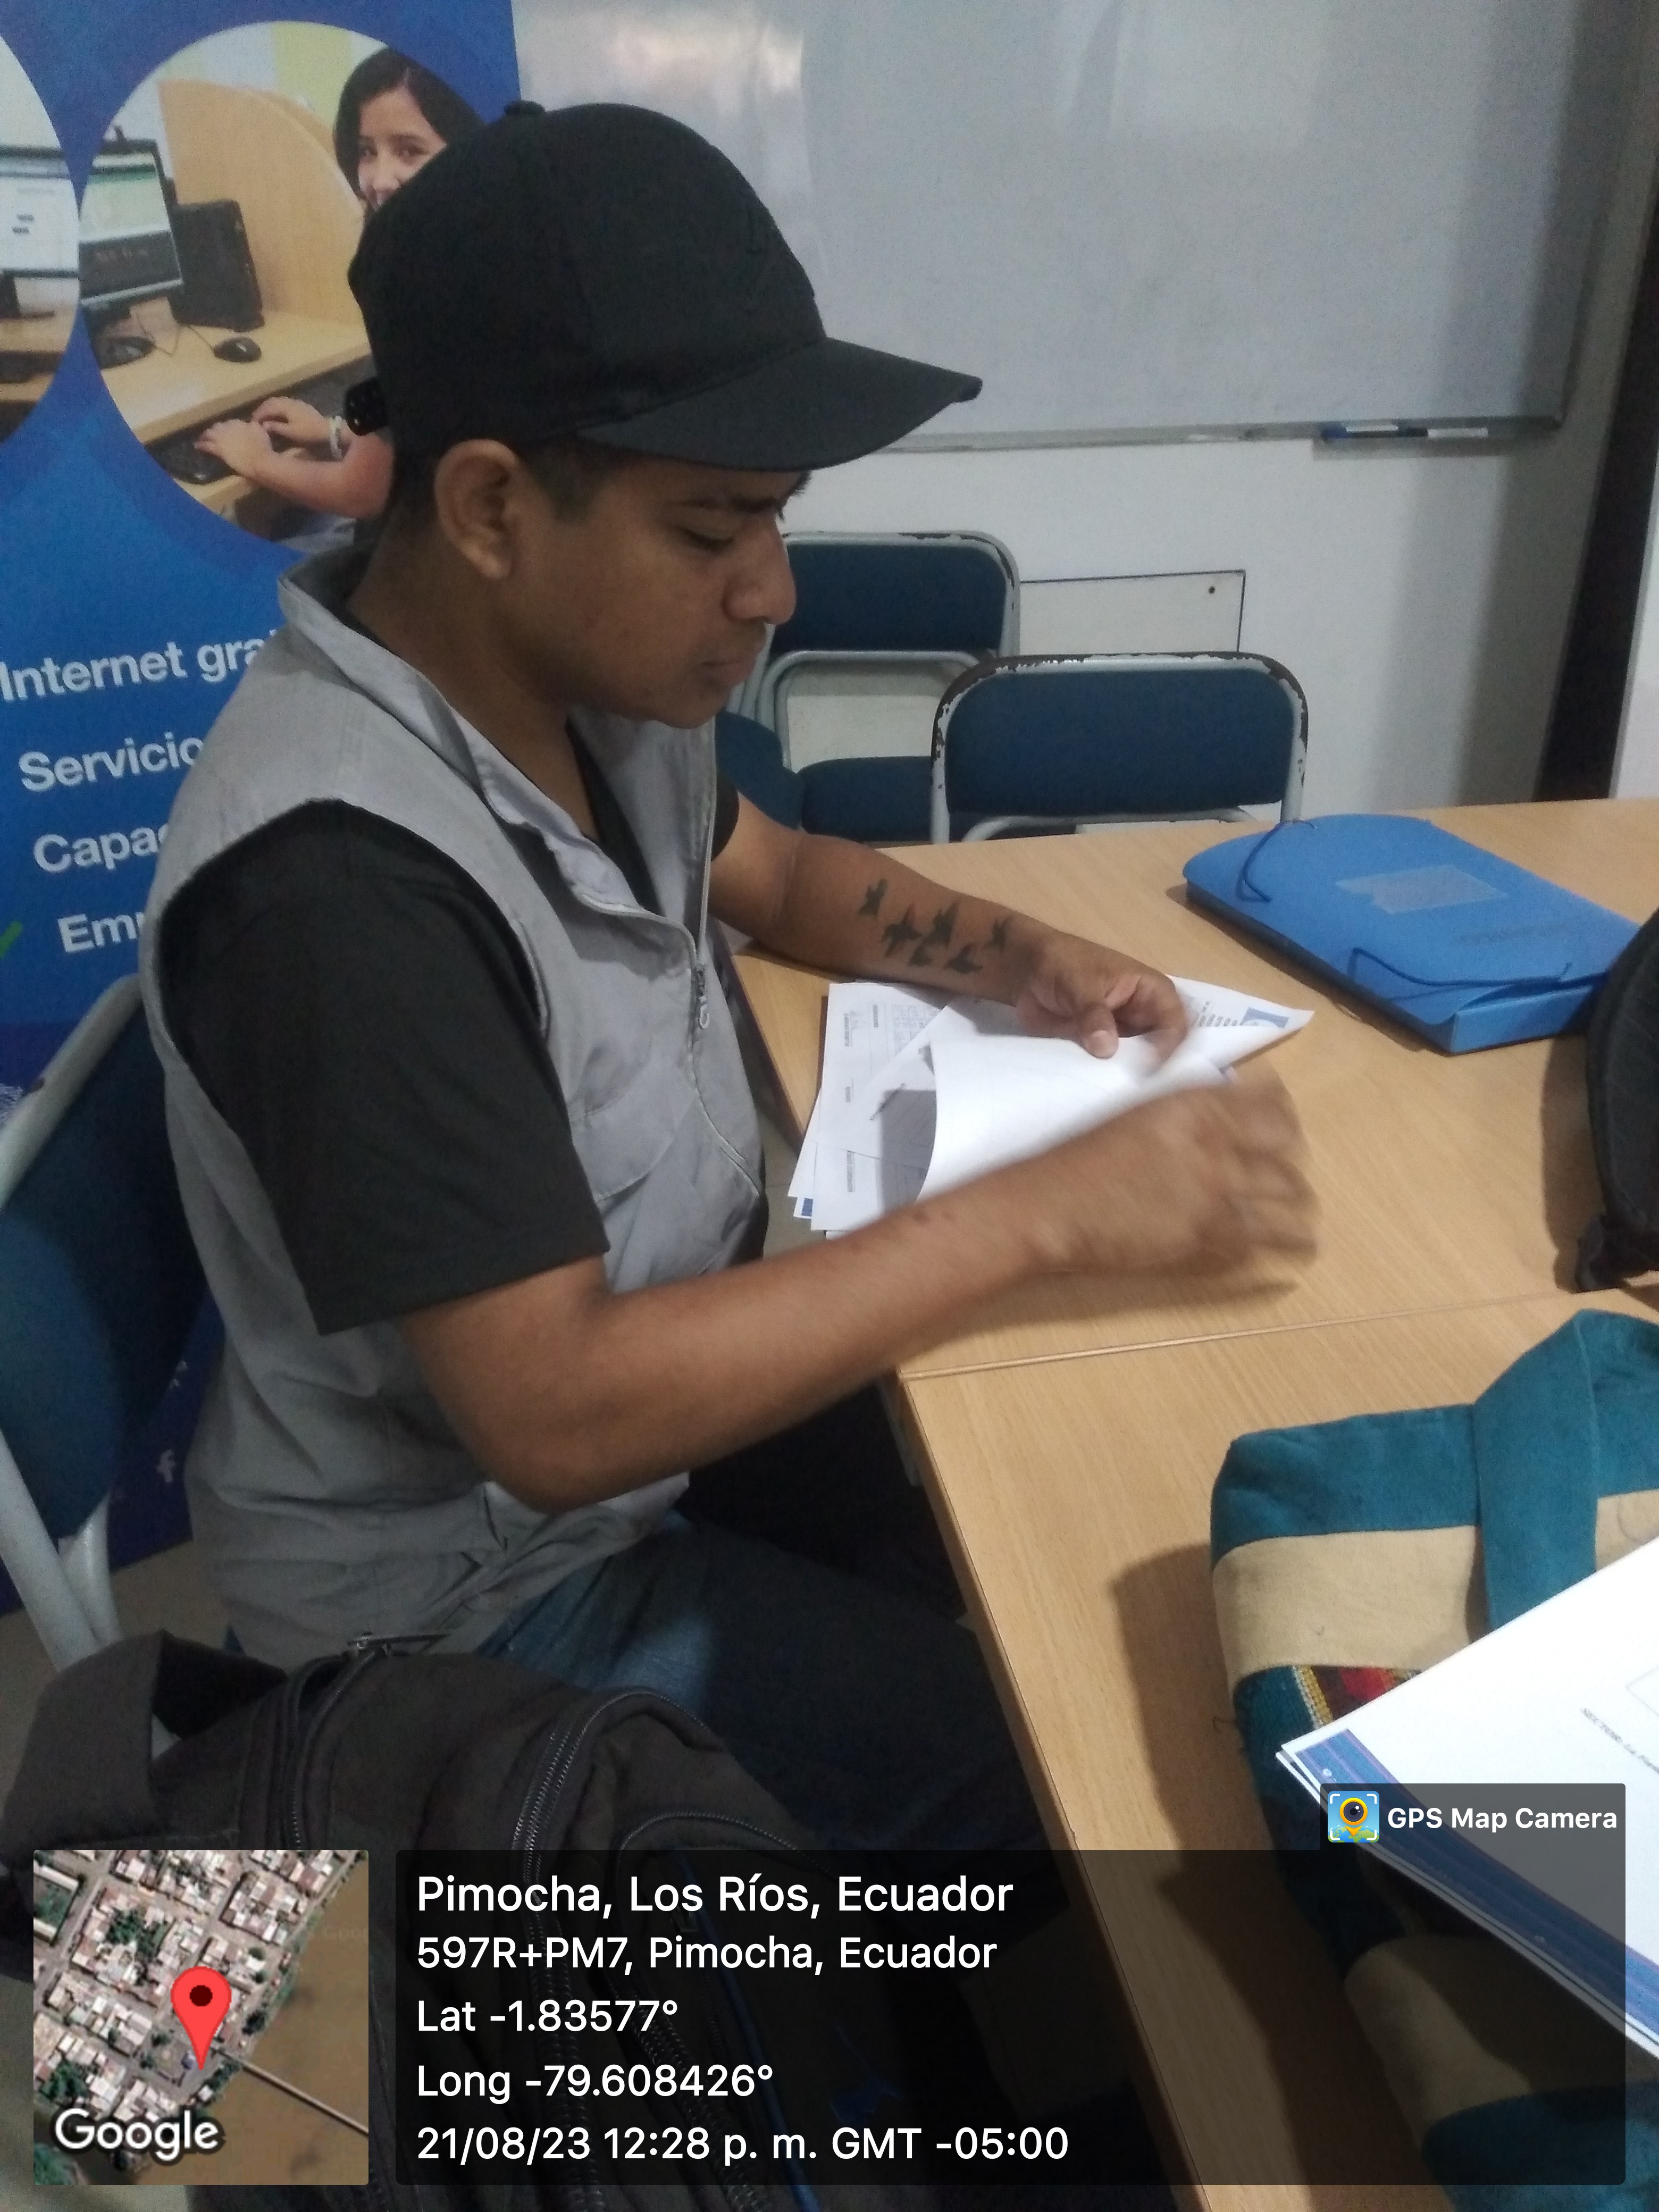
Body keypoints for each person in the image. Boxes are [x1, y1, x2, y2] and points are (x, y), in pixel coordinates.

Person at [140, 103, 1316, 1854]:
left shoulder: (568, 680)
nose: (769, 589)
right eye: (715, 530)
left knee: (1072, 1505)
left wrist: (1025, 952)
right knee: (1081, 1762)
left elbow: (779, 876)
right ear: (489, 505)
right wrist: (1051, 1209)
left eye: (777, 519)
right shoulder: (340, 895)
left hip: (639, 1426)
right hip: (477, 1596)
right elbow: (558, 1414)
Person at [190, 48, 482, 520]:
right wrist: (335, 432)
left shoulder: (424, 297)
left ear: (470, 153)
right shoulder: (469, 262)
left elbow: (362, 494)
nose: (379, 180)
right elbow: (422, 419)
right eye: (367, 151)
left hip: (424, 539)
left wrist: (257, 460)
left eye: (409, 151)